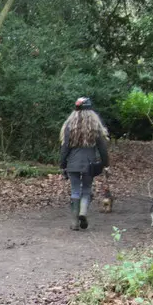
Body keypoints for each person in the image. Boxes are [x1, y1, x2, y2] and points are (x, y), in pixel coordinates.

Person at [59, 96, 111, 230]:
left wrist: (62, 164)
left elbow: (64, 148)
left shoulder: (69, 126)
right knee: (86, 190)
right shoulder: (95, 127)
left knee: (75, 190)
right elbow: (102, 149)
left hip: (73, 164)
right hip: (89, 164)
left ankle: (74, 222)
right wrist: (105, 164)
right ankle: (83, 212)